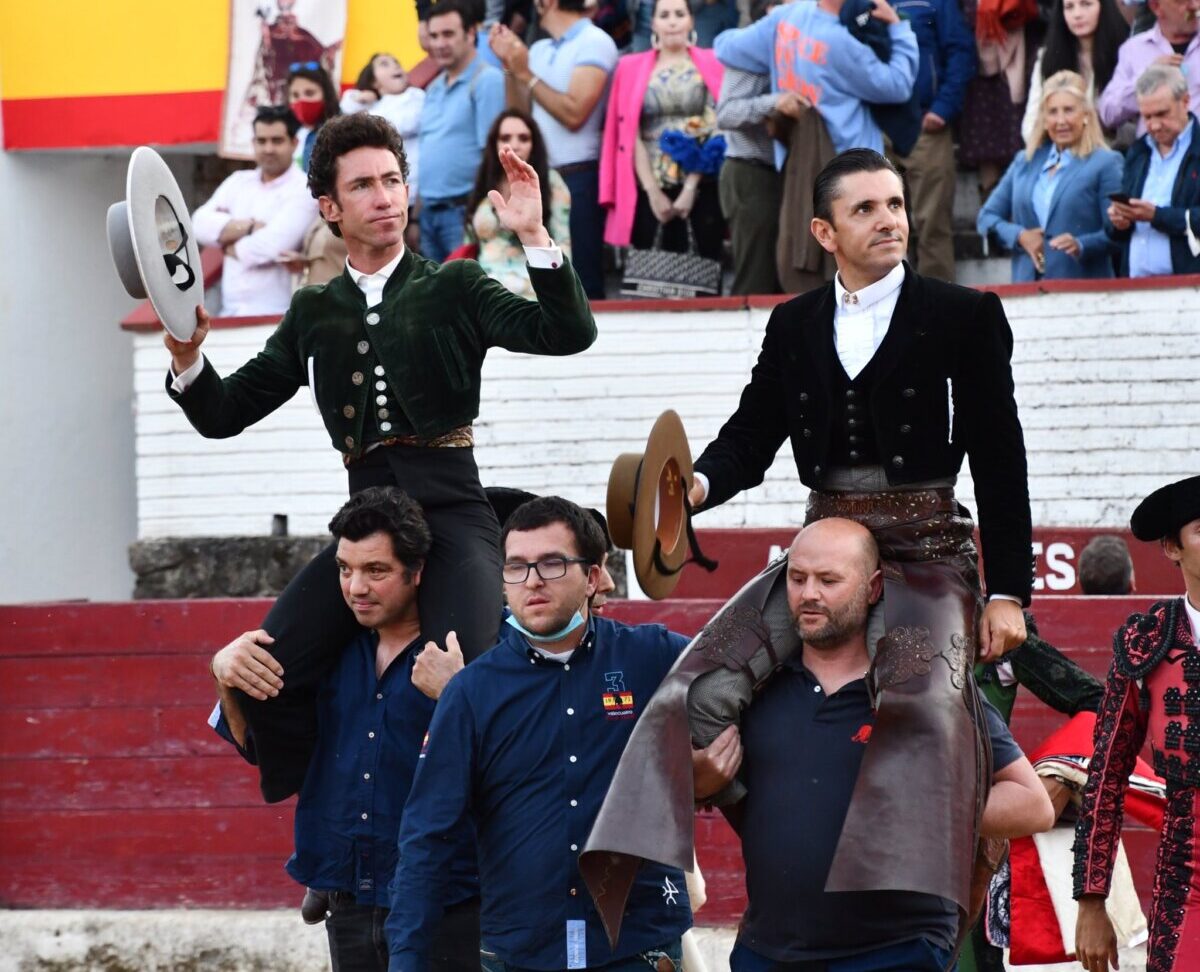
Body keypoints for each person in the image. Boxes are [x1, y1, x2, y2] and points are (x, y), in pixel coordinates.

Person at [163, 111, 595, 802]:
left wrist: (534, 235)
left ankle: (489, 842)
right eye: (364, 185)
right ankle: (335, 828)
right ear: (330, 207)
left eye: (393, 180)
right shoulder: (314, 310)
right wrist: (188, 360)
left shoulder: (455, 285)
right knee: (266, 669)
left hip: (453, 509)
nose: (386, 197)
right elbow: (223, 413)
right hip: (363, 525)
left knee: (471, 673)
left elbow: (567, 333)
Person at [677, 148, 1033, 926]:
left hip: (928, 552)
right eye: (867, 209)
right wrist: (694, 488)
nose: (889, 222)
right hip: (825, 549)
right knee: (702, 688)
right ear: (824, 231)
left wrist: (1007, 590)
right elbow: (751, 433)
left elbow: (1001, 459)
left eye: (896, 206)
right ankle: (777, 822)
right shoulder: (794, 322)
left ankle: (923, 868)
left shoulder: (964, 315)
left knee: (923, 705)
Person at [386, 497, 704, 972]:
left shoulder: (652, 656)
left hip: (639, 946)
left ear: (593, 577)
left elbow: (748, 669)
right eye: (516, 567)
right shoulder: (471, 693)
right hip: (522, 950)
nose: (532, 581)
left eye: (552, 564)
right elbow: (426, 838)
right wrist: (406, 961)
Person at [720, 519, 1052, 972]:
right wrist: (702, 774)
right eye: (797, 579)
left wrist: (918, 809)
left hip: (898, 951)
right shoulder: (755, 690)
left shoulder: (926, 690)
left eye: (829, 580)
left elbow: (1033, 804)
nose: (809, 594)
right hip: (769, 950)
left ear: (874, 587)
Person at [207, 487, 479, 972]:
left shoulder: (466, 655)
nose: (356, 587)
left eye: (376, 571)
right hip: (349, 901)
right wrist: (225, 675)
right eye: (345, 569)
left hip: (450, 908)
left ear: (417, 572)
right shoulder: (323, 656)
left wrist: (462, 696)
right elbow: (258, 746)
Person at [1074, 475, 1200, 972]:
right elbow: (1106, 773)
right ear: (1171, 548)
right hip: (1190, 879)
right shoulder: (1148, 642)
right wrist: (1090, 900)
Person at [489, 0, 619, 301]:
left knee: (582, 281)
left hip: (580, 176)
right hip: (538, 179)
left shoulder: (595, 40)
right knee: (543, 281)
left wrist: (526, 74)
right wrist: (511, 66)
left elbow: (575, 114)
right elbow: (519, 116)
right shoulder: (539, 49)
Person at [600, 0, 726, 260]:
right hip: (647, 184)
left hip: (702, 183)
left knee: (704, 272)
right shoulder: (629, 67)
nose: (672, 21)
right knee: (649, 279)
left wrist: (690, 188)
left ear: (691, 20)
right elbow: (628, 133)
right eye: (664, 15)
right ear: (653, 22)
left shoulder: (713, 62)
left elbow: (718, 125)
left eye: (679, 14)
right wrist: (653, 192)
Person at [713, 0, 918, 158]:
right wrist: (897, 26)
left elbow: (724, 47)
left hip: (799, 160)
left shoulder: (787, 16)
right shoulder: (840, 42)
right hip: (851, 165)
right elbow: (898, 85)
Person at [977, 70, 1123, 281]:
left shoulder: (1106, 162)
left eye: (1069, 110)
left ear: (1086, 115)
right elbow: (987, 217)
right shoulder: (1024, 161)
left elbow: (1117, 234)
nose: (1061, 120)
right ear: (1044, 119)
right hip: (1026, 287)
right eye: (1053, 112)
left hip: (1083, 288)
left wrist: (1081, 245)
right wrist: (1021, 236)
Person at [192, 105, 317, 317]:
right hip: (230, 313)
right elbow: (198, 224)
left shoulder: (304, 189)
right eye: (261, 141)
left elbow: (270, 247)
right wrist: (249, 226)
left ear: (294, 143)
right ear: (253, 143)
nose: (268, 149)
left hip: (277, 317)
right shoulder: (238, 182)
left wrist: (227, 243)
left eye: (277, 141)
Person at [887, 0, 976, 283]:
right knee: (881, 228)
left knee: (932, 225)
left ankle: (936, 312)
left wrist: (944, 107)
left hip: (925, 125)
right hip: (876, 126)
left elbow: (961, 51)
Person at [419, 0, 506, 263]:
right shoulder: (433, 88)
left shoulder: (487, 80)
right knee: (435, 301)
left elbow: (492, 155)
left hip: (464, 211)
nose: (440, 43)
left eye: (448, 34)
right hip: (428, 215)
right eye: (434, 36)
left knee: (466, 299)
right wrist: (414, 218)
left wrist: (478, 213)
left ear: (470, 34)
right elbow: (427, 154)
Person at [715, 0, 788, 296]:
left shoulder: (792, 48)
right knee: (755, 280)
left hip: (777, 172)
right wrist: (775, 103)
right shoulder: (749, 49)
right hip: (751, 171)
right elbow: (726, 113)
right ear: (769, 11)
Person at [466, 109, 573, 298]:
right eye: (506, 137)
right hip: (482, 292)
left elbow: (563, 246)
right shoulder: (486, 180)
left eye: (523, 138)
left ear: (534, 144)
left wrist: (559, 292)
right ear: (494, 143)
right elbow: (469, 241)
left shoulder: (551, 182)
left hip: (531, 292)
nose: (514, 145)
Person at [1107, 64, 1200, 277]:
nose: (1155, 125)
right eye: (1147, 117)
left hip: (1190, 291)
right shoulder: (1138, 152)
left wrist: (1157, 216)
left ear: (1186, 101)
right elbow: (1113, 233)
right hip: (1135, 288)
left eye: (1162, 114)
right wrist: (1119, 221)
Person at [1020, 0, 1130, 141]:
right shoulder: (1048, 58)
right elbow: (1029, 129)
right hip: (1060, 152)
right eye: (1069, 7)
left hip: (1113, 150)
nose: (1077, 14)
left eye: (1086, 4)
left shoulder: (1126, 54)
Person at [1097, 0, 1200, 134]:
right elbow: (1108, 114)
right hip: (1152, 152)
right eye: (1181, 1)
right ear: (1156, 6)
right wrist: (1145, 80)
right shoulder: (1134, 49)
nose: (1194, 5)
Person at [340, 53, 426, 202]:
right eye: (384, 64)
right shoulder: (373, 105)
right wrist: (360, 98)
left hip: (414, 187)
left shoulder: (415, 95)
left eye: (396, 62)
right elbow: (346, 105)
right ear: (374, 81)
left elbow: (408, 123)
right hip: (383, 191)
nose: (395, 66)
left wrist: (370, 118)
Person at [287, 62, 342, 172]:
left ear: (326, 95)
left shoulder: (340, 132)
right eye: (295, 95)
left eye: (310, 93)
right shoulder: (291, 131)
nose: (302, 100)